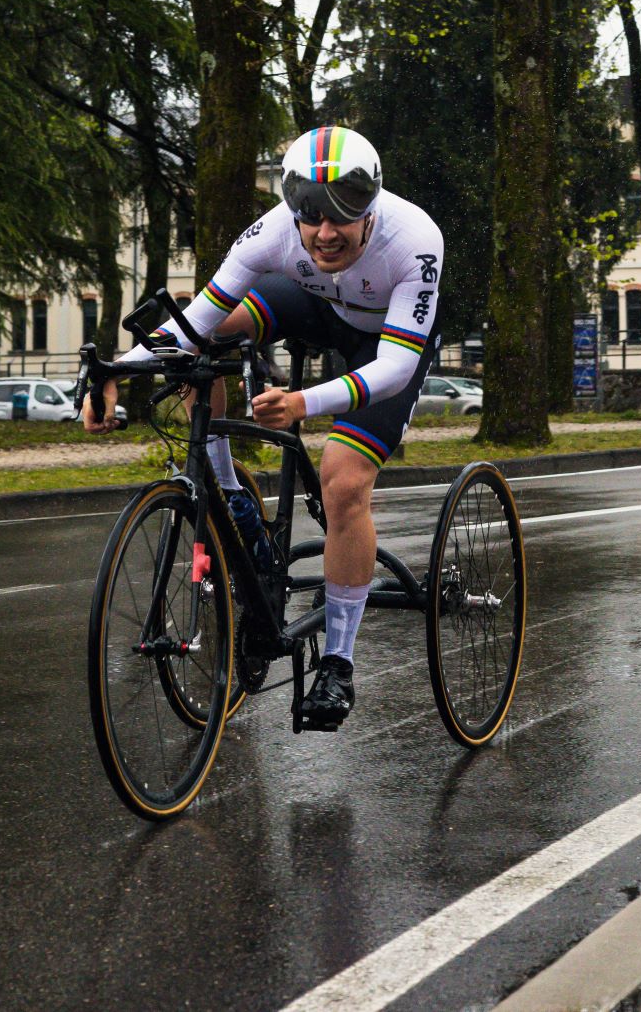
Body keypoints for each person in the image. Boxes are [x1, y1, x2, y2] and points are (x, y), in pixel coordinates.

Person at [84, 126, 443, 732]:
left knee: (343, 483)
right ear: (292, 207)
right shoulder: (271, 232)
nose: (325, 232)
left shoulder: (415, 240)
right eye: (311, 216)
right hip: (313, 303)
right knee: (204, 341)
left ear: (371, 205)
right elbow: (195, 322)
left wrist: (303, 402)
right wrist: (115, 372)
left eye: (342, 216)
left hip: (385, 341)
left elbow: (394, 370)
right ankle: (230, 493)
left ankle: (338, 661)